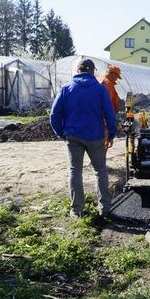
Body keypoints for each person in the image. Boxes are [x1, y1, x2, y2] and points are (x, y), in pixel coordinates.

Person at [50, 59, 117, 218]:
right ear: (93, 71)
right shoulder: (100, 90)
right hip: (96, 137)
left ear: (78, 71)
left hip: (74, 137)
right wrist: (112, 133)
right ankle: (104, 209)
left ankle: (76, 210)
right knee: (100, 171)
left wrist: (62, 133)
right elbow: (110, 114)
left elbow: (54, 115)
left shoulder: (66, 89)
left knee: (75, 171)